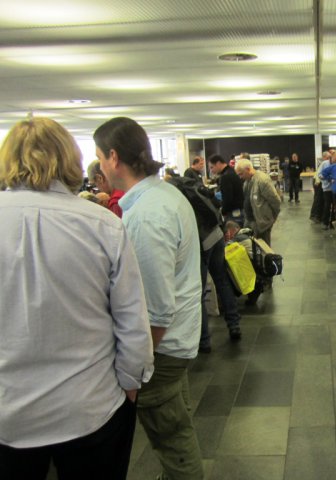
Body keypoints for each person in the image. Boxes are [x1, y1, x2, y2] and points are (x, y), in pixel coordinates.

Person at [0, 117, 153, 480]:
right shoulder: (102, 225)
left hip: (8, 412)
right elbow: (132, 321)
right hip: (90, 405)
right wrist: (130, 385)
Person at [94, 117, 204, 480]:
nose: (98, 167)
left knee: (172, 439)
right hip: (177, 340)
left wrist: (137, 365)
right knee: (177, 428)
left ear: (113, 157)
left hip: (163, 348)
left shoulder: (146, 215)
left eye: (99, 157)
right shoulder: (161, 196)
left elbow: (155, 308)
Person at [235, 158, 281, 246]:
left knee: (264, 248)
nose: (240, 177)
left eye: (241, 174)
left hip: (261, 223)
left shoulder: (262, 180)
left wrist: (271, 218)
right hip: (250, 220)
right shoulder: (247, 181)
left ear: (248, 169)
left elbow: (275, 201)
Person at [208, 154, 244, 225]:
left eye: (212, 167)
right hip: (238, 210)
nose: (211, 171)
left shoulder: (225, 177)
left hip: (233, 213)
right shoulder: (231, 171)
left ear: (218, 163)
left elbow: (227, 198)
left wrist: (223, 211)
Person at [319, 150, 336, 230]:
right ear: (332, 156)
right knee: (327, 205)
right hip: (326, 188)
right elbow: (320, 175)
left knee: (334, 206)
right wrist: (328, 179)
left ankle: (332, 223)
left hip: (334, 188)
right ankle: (325, 223)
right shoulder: (324, 163)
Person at [310, 151, 330, 223]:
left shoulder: (325, 163)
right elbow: (319, 173)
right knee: (318, 199)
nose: (329, 159)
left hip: (319, 182)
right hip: (318, 182)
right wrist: (317, 182)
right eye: (328, 157)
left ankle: (318, 216)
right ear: (324, 157)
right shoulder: (324, 163)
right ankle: (314, 216)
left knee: (320, 199)